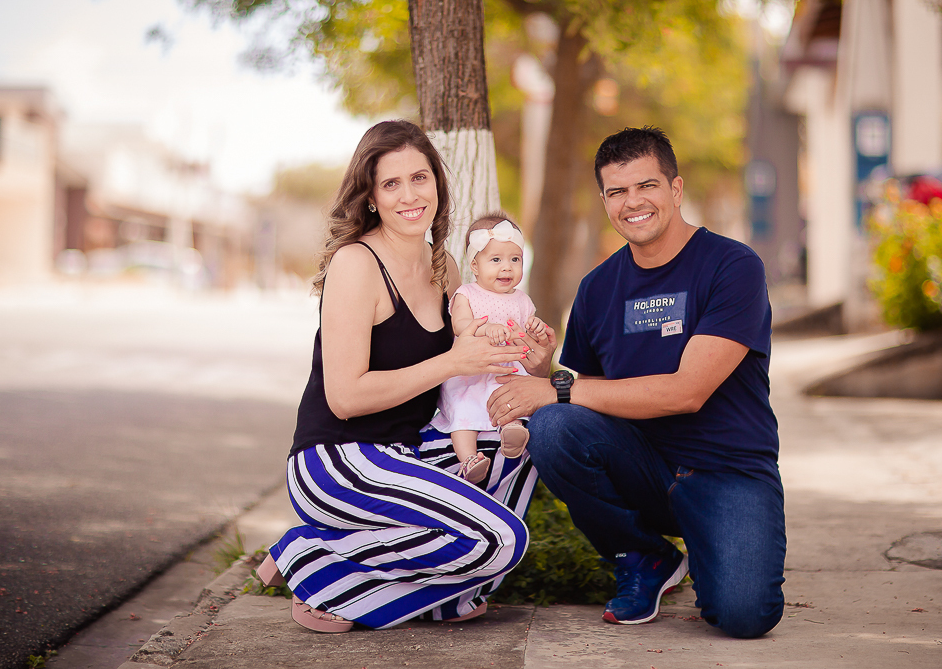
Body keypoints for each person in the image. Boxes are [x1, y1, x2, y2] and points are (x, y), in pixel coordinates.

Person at [256, 120, 556, 632]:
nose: (409, 195)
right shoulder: (357, 263)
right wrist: (451, 361)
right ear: (371, 197)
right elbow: (345, 396)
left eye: (420, 178)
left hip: (411, 450)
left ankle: (401, 596)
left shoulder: (446, 269)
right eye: (390, 184)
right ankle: (311, 558)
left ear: (437, 183)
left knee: (532, 439)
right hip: (338, 458)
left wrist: (536, 360)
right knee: (499, 540)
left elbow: (478, 377)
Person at [487, 125, 785, 639]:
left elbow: (687, 391)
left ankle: (714, 541)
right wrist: (542, 371)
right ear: (604, 200)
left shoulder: (734, 266)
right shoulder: (598, 288)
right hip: (642, 465)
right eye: (617, 191)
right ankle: (644, 557)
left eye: (646, 185)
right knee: (556, 426)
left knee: (744, 615)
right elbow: (589, 404)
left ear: (675, 189)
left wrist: (555, 388)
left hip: (727, 470)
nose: (632, 202)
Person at [430, 213, 549, 483]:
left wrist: (535, 328)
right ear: (475, 264)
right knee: (463, 409)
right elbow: (460, 325)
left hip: (504, 369)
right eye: (496, 260)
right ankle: (469, 458)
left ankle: (512, 431)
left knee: (510, 397)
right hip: (470, 374)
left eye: (514, 260)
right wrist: (485, 328)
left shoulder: (522, 299)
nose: (506, 268)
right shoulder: (467, 294)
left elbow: (526, 327)